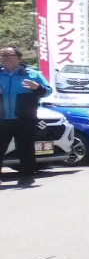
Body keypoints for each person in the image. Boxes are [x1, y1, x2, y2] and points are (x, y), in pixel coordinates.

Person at [0, 46, 50, 184]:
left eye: (9, 54)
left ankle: (26, 177)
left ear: (19, 58)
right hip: (2, 119)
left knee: (26, 149)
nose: (5, 57)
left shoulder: (32, 74)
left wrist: (37, 87)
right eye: (2, 54)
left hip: (24, 118)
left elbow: (48, 91)